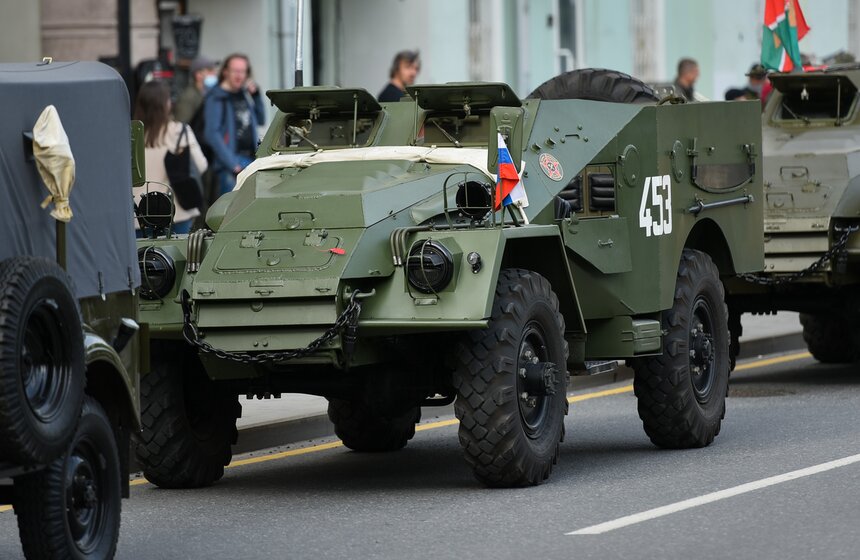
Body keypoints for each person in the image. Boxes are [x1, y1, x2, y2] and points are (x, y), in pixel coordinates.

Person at [132, 80, 208, 234]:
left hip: (138, 214)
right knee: (176, 257)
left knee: (143, 257)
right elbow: (201, 165)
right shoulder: (179, 132)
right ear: (165, 104)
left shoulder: (130, 134)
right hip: (176, 212)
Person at [203, 53, 266, 197]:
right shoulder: (216, 97)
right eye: (235, 71)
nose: (239, 75)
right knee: (230, 212)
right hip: (231, 165)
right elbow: (211, 134)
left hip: (251, 159)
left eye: (243, 71)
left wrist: (256, 96)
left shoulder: (243, 94)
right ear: (225, 72)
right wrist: (232, 164)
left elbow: (261, 119)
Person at [173, 55, 218, 124]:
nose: (214, 73)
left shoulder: (207, 93)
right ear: (198, 75)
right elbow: (181, 126)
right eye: (210, 70)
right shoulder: (189, 97)